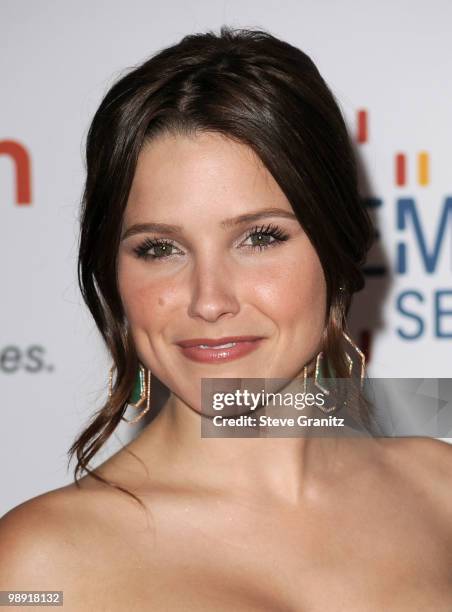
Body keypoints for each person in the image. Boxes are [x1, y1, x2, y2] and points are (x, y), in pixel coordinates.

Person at [1, 25, 451, 611]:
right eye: (159, 249)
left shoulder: (440, 493)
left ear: (335, 249)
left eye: (259, 238)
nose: (208, 300)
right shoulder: (39, 566)